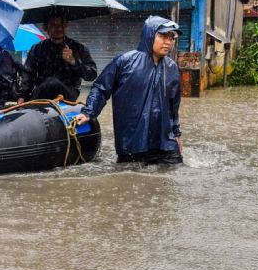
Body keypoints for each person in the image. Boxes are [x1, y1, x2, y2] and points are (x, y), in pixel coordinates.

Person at [75, 16, 184, 165]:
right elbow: (101, 88)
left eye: (172, 37)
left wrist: (176, 134)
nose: (168, 42)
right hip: (133, 143)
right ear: (150, 35)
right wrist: (88, 112)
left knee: (174, 174)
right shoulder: (125, 62)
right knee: (129, 176)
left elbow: (173, 106)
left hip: (165, 144)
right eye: (163, 36)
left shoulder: (172, 68)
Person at [18, 13, 97, 102]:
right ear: (45, 28)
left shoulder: (78, 48)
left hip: (68, 94)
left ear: (66, 25)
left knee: (53, 83)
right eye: (53, 25)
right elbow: (28, 73)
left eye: (62, 24)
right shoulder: (37, 49)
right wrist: (22, 96)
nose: (59, 28)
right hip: (42, 93)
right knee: (50, 83)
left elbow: (92, 75)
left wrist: (74, 62)